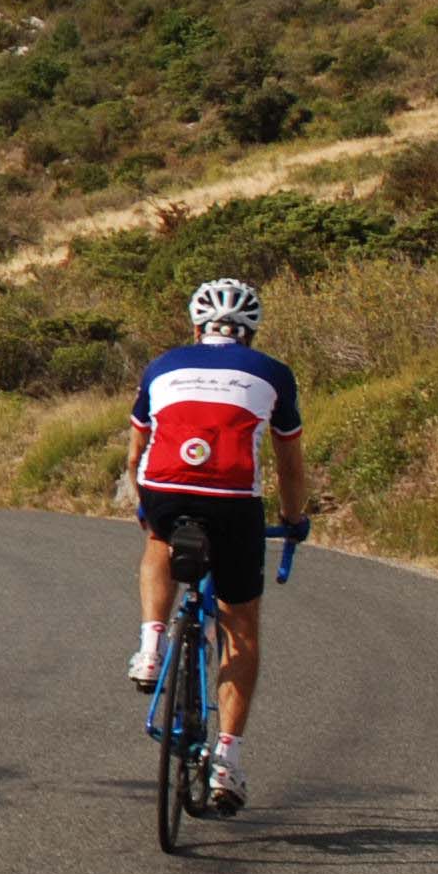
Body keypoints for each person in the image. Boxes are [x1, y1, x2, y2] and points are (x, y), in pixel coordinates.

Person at [124, 276, 311, 812]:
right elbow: (289, 462)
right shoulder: (273, 373)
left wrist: (145, 504)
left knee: (159, 539)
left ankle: (151, 645)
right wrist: (293, 519)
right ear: (250, 331)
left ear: (197, 325)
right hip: (233, 500)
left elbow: (138, 450)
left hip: (164, 486)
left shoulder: (162, 365)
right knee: (240, 622)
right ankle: (226, 760)